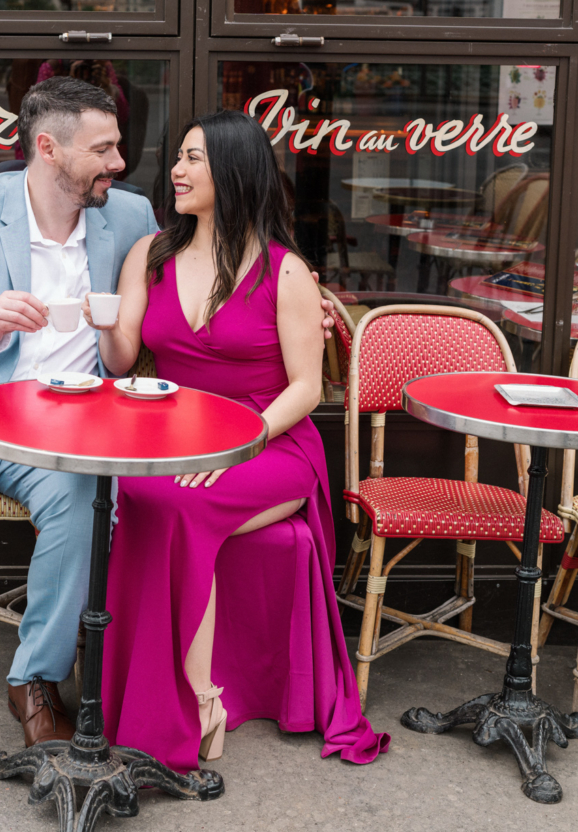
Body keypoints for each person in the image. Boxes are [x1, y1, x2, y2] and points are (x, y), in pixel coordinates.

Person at [0, 79, 337, 829]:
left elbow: (183, 306)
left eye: (122, 144)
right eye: (105, 147)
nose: (125, 160)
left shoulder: (133, 220)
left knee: (92, 507)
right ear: (48, 148)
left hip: (65, 425)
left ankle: (38, 680)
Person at [91, 110, 389, 773]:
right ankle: (182, 695)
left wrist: (236, 443)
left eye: (193, 158)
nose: (176, 169)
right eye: (179, 157)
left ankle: (202, 701)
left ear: (232, 172)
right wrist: (104, 325)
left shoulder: (285, 272)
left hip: (268, 442)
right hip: (172, 438)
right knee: (151, 494)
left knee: (185, 505)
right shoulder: (151, 255)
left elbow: (308, 387)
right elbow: (122, 360)